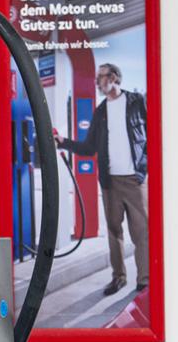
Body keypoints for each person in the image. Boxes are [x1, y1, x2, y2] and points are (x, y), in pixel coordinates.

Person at [54, 62, 149, 297]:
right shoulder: (101, 111)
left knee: (142, 233)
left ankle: (144, 280)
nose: (98, 82)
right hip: (110, 183)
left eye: (102, 77)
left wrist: (144, 168)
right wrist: (64, 141)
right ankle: (119, 277)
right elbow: (89, 147)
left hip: (135, 180)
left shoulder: (137, 102)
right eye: (97, 78)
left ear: (115, 77)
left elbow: (153, 136)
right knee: (114, 232)